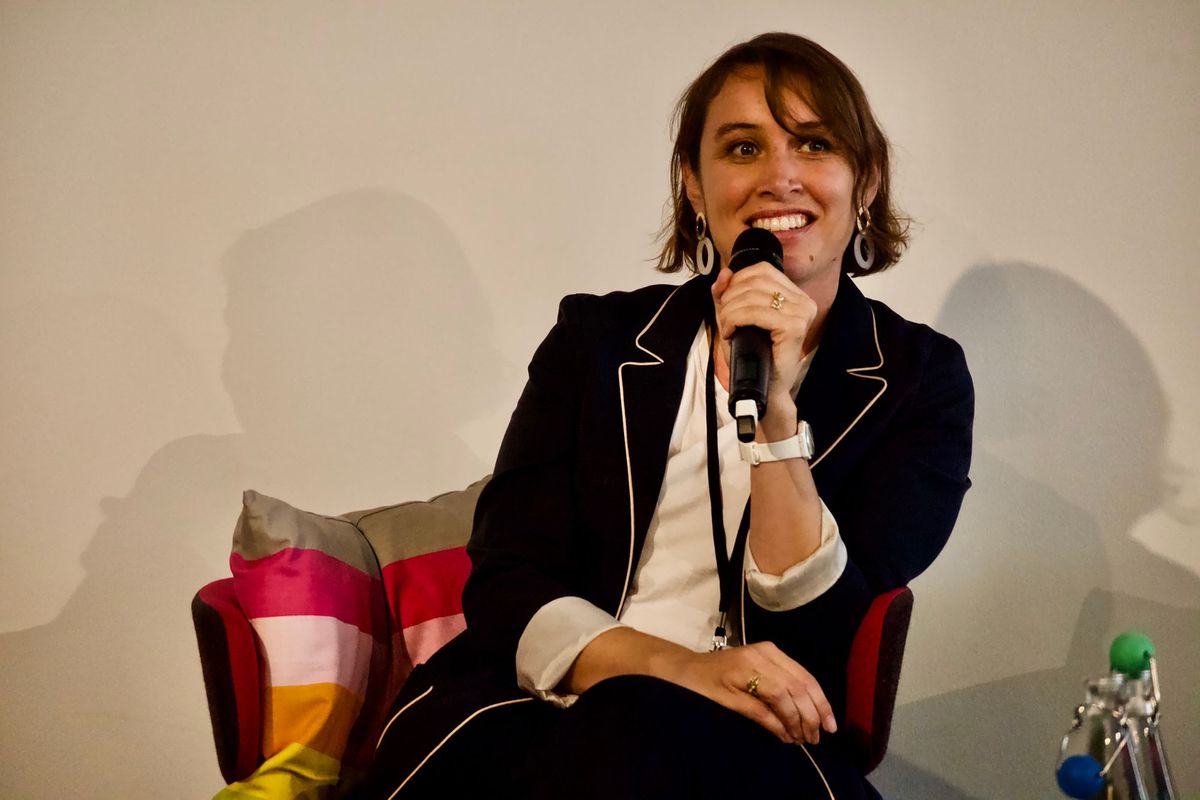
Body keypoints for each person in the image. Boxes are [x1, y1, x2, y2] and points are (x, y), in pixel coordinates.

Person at [356, 32, 973, 799]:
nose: (779, 176)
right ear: (694, 184)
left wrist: (776, 421)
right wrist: (678, 669)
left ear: (867, 179)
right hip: (535, 712)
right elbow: (507, 581)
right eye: (743, 148)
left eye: (815, 144)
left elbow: (829, 631)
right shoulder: (596, 341)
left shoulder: (918, 379)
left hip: (760, 746)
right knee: (626, 726)